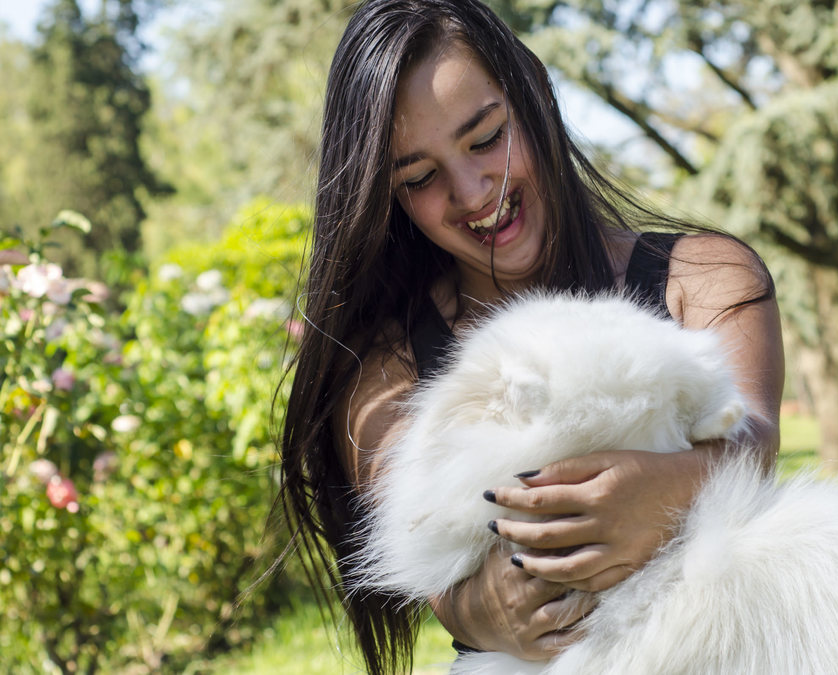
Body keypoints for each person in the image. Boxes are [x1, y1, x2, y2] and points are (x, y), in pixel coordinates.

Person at [278, 1, 784, 673]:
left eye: (486, 137)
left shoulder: (704, 278)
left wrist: (667, 486)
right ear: (389, 195)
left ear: (538, 96)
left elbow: (754, 438)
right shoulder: (384, 368)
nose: (471, 191)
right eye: (420, 177)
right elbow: (431, 557)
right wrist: (484, 609)